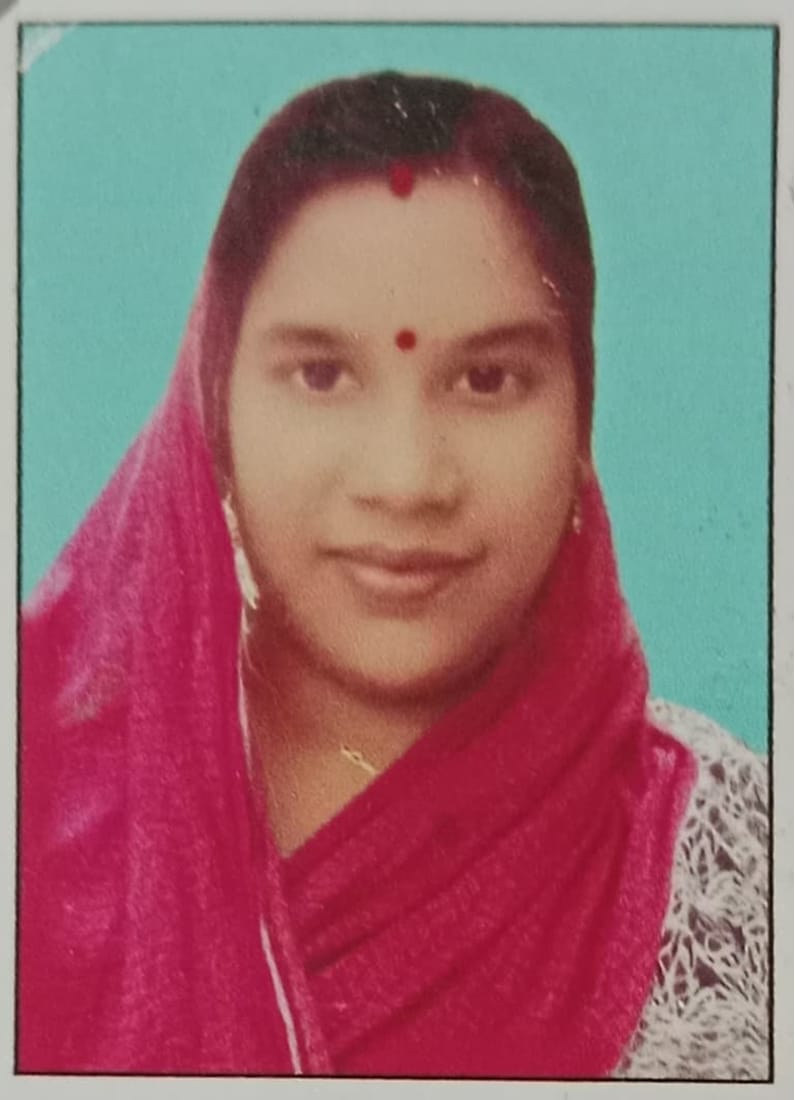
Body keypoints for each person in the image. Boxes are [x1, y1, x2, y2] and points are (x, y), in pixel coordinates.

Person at [18, 71, 768, 1079]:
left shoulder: (739, 864)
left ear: (580, 424)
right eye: (321, 374)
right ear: (214, 417)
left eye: (487, 379)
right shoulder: (39, 797)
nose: (407, 480)